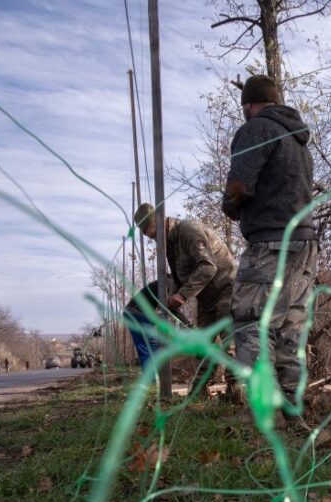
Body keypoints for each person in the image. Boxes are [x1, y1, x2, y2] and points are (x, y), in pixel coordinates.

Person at [222, 74, 319, 414]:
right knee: (289, 328)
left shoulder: (256, 129)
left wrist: (231, 205)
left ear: (249, 104)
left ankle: (269, 414)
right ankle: (293, 408)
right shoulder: (299, 141)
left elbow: (238, 185)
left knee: (251, 324)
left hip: (270, 245)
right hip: (306, 246)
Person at [129, 204, 237, 392]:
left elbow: (208, 267)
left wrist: (182, 295)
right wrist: (173, 297)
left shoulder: (189, 230)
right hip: (205, 297)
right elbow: (180, 276)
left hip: (225, 287)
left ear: (161, 221)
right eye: (149, 237)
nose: (153, 239)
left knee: (228, 338)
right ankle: (199, 390)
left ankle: (235, 389)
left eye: (153, 234)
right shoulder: (170, 245)